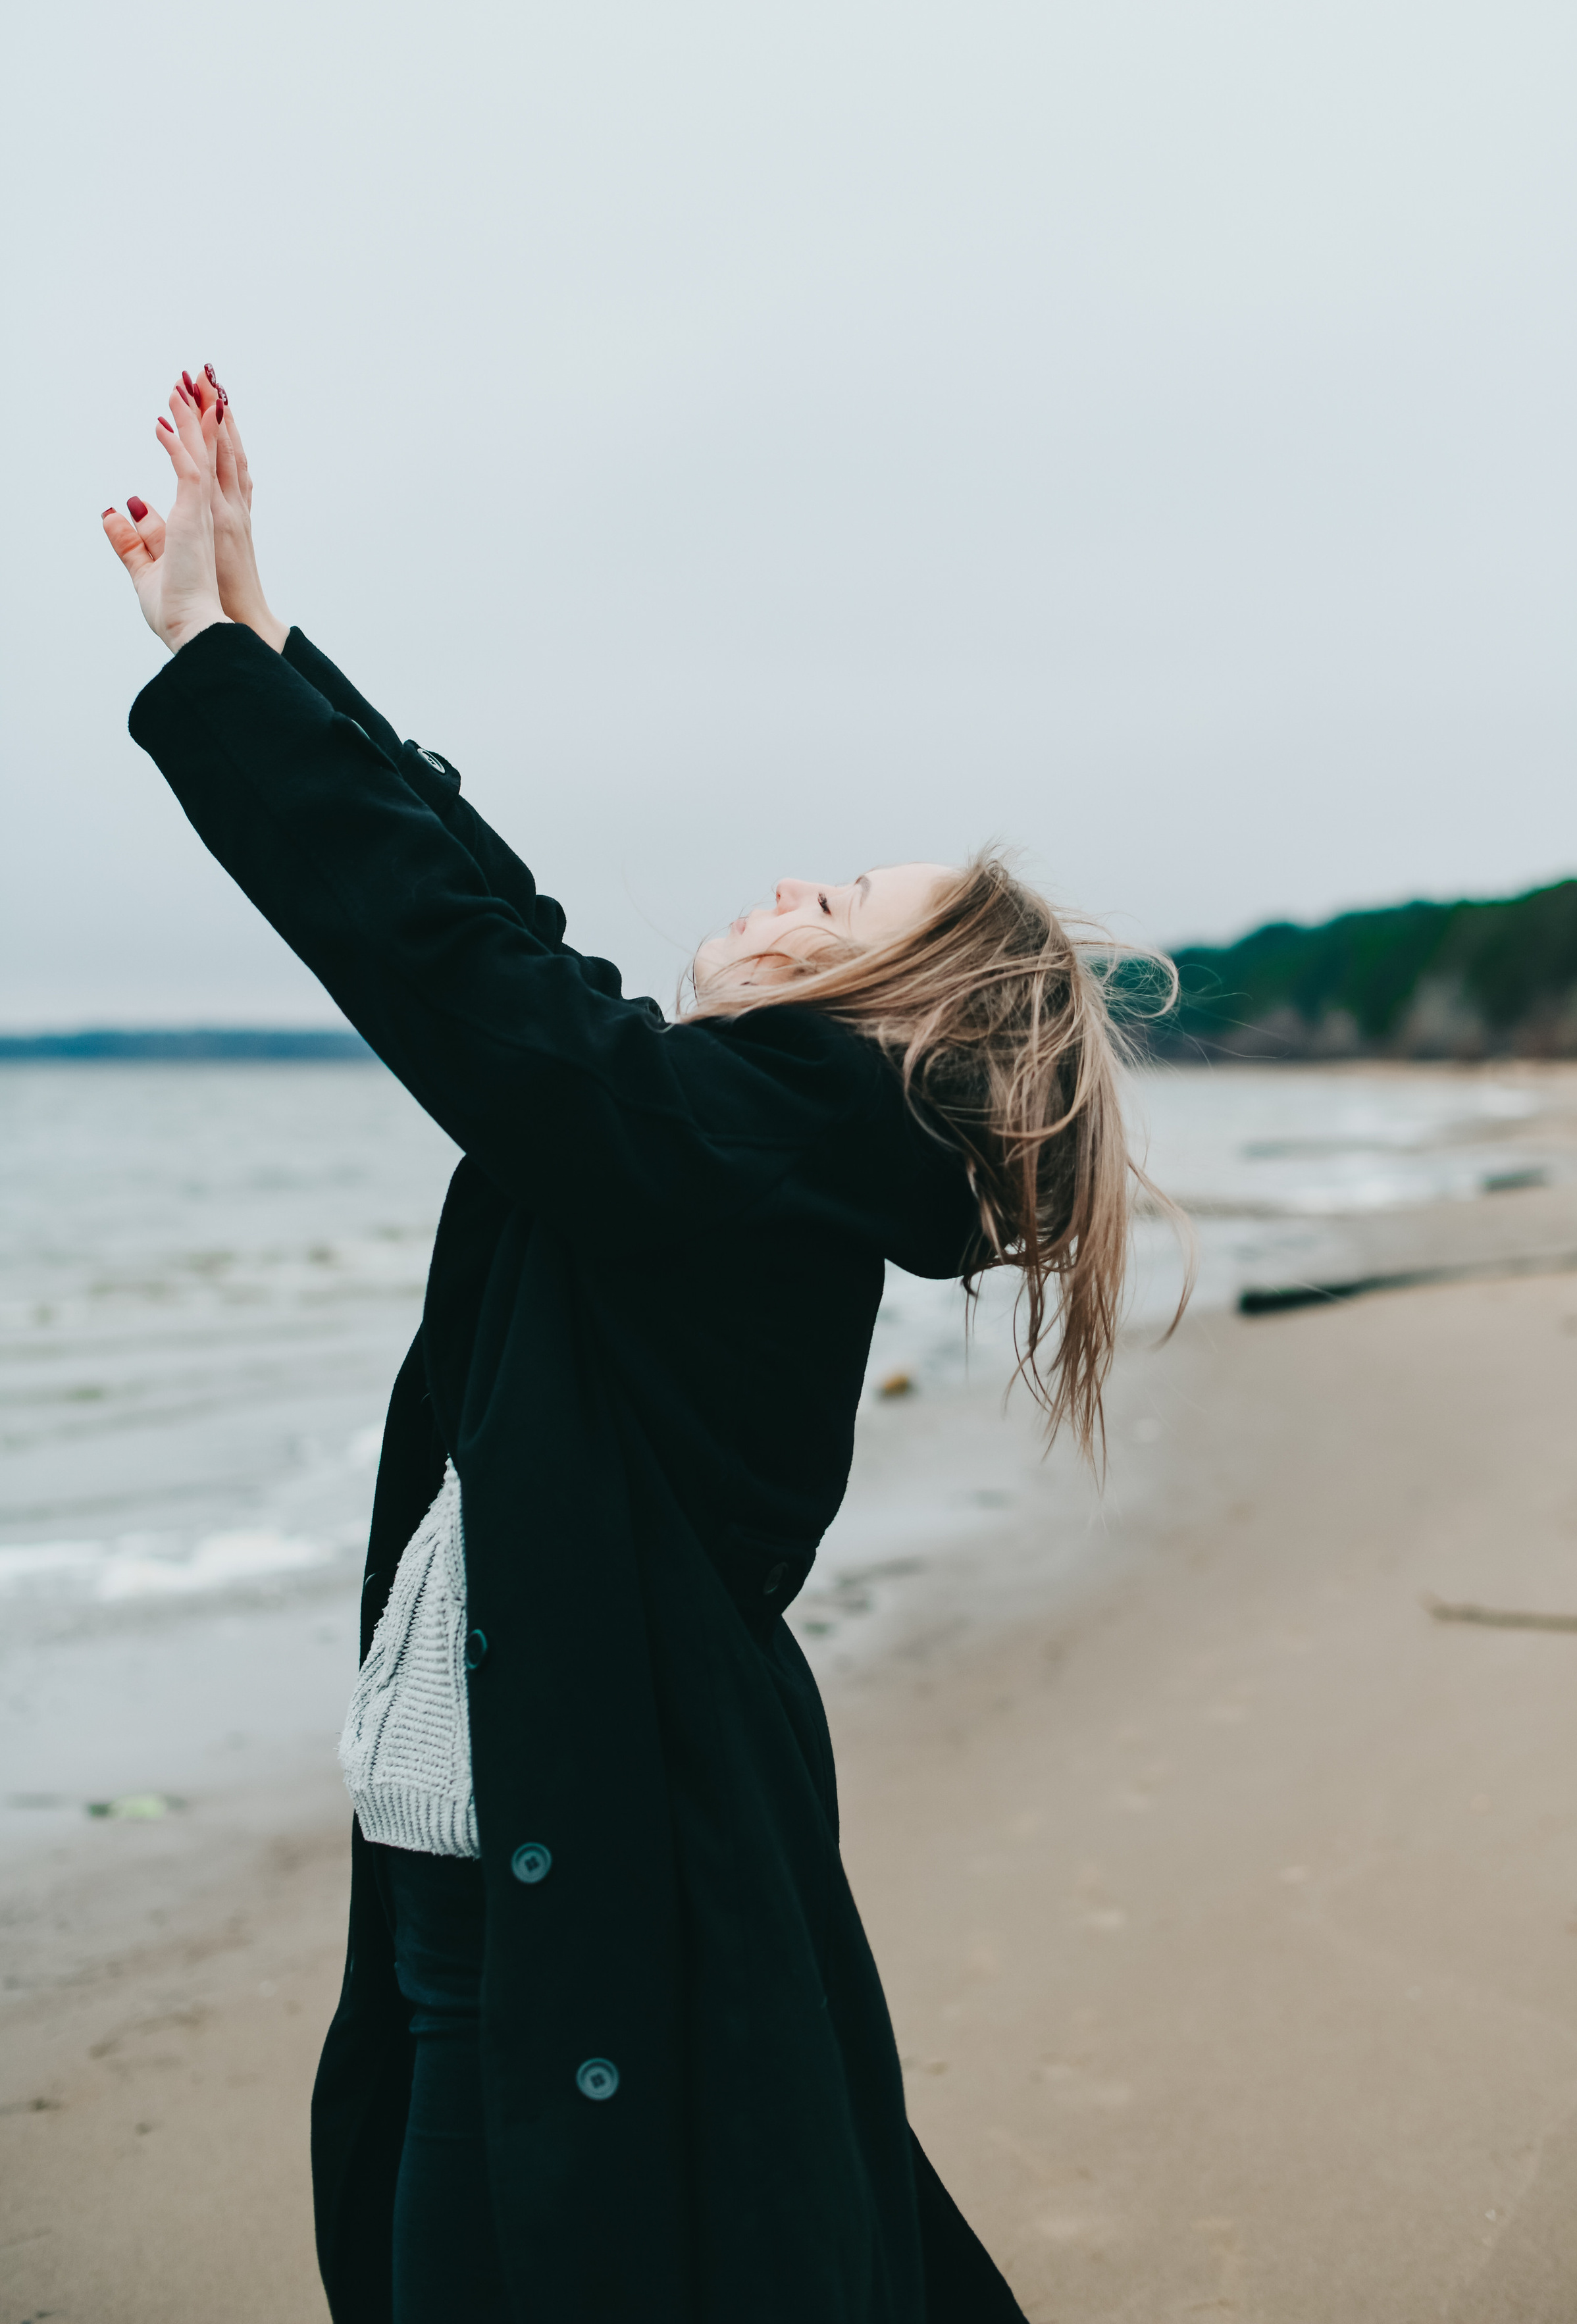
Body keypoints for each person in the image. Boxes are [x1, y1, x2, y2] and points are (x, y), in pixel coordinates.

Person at [103, 369, 1169, 2324]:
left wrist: (215, 670)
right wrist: (262, 635)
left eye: (836, 903)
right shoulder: (725, 1153)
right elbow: (518, 946)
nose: (786, 888)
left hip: (571, 1873)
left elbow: (473, 983)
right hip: (524, 1859)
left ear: (895, 1027)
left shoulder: (764, 1151)